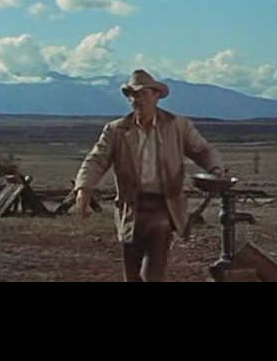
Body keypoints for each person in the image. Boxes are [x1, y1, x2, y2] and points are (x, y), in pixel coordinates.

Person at [74, 70, 224, 282]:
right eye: (133, 95)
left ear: (156, 96)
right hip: (131, 208)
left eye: (144, 93)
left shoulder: (177, 125)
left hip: (164, 205)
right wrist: (84, 188)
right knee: (132, 273)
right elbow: (97, 159)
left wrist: (215, 169)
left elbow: (202, 150)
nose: (138, 99)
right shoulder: (117, 130)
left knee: (152, 271)